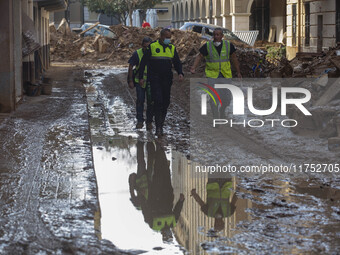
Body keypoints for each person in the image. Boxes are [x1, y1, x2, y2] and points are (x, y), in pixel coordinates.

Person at [129, 141, 185, 242]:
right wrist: (181, 201)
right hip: (167, 191)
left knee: (157, 171)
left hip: (155, 191)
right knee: (165, 171)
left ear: (163, 235)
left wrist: (141, 196)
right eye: (170, 236)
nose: (168, 234)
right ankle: (159, 148)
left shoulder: (153, 224)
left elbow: (145, 209)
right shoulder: (173, 222)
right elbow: (177, 211)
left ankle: (154, 147)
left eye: (166, 236)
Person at [138, 28, 184, 137]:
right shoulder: (152, 46)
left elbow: (177, 62)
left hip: (167, 79)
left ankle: (161, 123)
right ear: (161, 37)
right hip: (154, 79)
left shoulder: (172, 48)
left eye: (169, 38)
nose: (168, 39)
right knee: (157, 101)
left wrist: (180, 73)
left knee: (166, 102)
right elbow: (143, 62)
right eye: (166, 37)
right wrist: (141, 77)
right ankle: (159, 127)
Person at [190, 28, 242, 118]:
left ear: (222, 36)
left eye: (218, 35)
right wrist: (193, 67)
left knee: (227, 98)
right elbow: (199, 56)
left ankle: (222, 110)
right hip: (212, 75)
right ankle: (215, 116)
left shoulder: (228, 45)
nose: (216, 36)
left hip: (225, 75)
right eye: (214, 35)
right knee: (214, 97)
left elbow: (234, 58)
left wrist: (238, 72)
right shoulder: (208, 46)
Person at [128, 37, 153, 130]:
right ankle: (139, 120)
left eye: (148, 47)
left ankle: (149, 121)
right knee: (140, 100)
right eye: (145, 47)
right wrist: (130, 80)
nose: (146, 49)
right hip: (140, 82)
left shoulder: (154, 53)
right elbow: (130, 67)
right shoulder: (137, 54)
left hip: (151, 81)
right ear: (142, 46)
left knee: (151, 102)